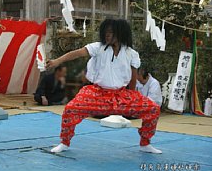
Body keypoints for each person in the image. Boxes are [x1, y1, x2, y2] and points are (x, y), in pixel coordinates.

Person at [47, 19, 162, 154]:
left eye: (111, 32)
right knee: (70, 109)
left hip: (120, 94)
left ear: (120, 34)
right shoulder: (98, 47)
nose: (107, 35)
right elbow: (76, 54)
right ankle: (64, 143)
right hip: (97, 93)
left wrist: (130, 99)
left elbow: (133, 77)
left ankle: (145, 143)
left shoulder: (131, 53)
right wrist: (56, 61)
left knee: (153, 109)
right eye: (106, 32)